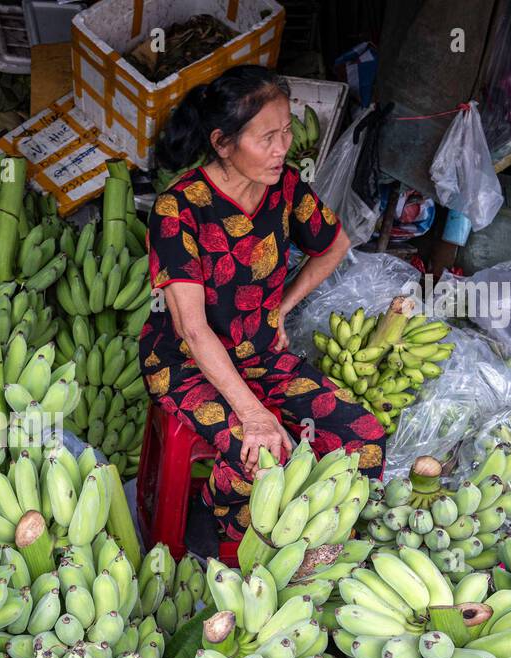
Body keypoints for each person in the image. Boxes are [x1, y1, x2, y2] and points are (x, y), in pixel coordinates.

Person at [143, 65, 385, 545]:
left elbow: (333, 245)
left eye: (286, 132)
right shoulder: (179, 209)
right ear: (223, 143)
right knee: (261, 459)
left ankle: (314, 544)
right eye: (267, 138)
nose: (282, 149)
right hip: (188, 363)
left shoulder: (286, 187)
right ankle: (228, 543)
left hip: (260, 354)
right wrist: (253, 416)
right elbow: (192, 330)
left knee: (364, 437)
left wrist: (280, 307)